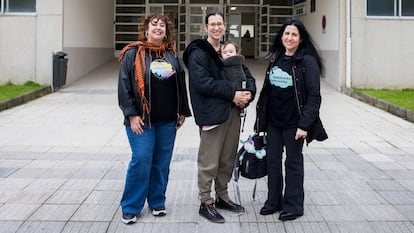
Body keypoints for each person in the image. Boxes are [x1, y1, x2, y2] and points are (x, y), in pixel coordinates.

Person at [117, 13, 191, 225]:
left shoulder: (171, 54)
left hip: (167, 120)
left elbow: (180, 84)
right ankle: (131, 206)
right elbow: (124, 87)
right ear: (146, 30)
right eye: (154, 24)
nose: (158, 27)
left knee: (161, 163)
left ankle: (157, 201)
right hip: (142, 120)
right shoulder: (133, 54)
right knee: (141, 159)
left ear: (166, 32)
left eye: (162, 25)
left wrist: (182, 111)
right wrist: (131, 115)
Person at [183, 10, 256, 223]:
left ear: (225, 26)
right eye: (212, 24)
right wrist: (233, 92)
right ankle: (206, 202)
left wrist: (248, 94)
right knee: (209, 161)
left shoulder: (227, 51)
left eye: (220, 24)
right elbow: (202, 83)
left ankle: (222, 196)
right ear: (206, 27)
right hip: (212, 114)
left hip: (232, 113)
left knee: (227, 159)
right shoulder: (199, 53)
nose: (216, 27)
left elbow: (246, 74)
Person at [255, 18, 328, 221]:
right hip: (273, 122)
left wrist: (304, 125)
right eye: (286, 34)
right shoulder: (276, 57)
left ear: (301, 38)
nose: (289, 38)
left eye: (294, 34)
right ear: (281, 36)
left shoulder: (307, 62)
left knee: (293, 164)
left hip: (295, 124)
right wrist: (261, 120)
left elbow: (314, 96)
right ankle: (273, 201)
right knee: (273, 163)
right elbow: (267, 92)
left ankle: (294, 206)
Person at [221, 41, 248, 118]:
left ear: (237, 53)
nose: (228, 54)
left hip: (239, 85)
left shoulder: (238, 62)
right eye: (225, 52)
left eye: (231, 52)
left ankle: (241, 107)